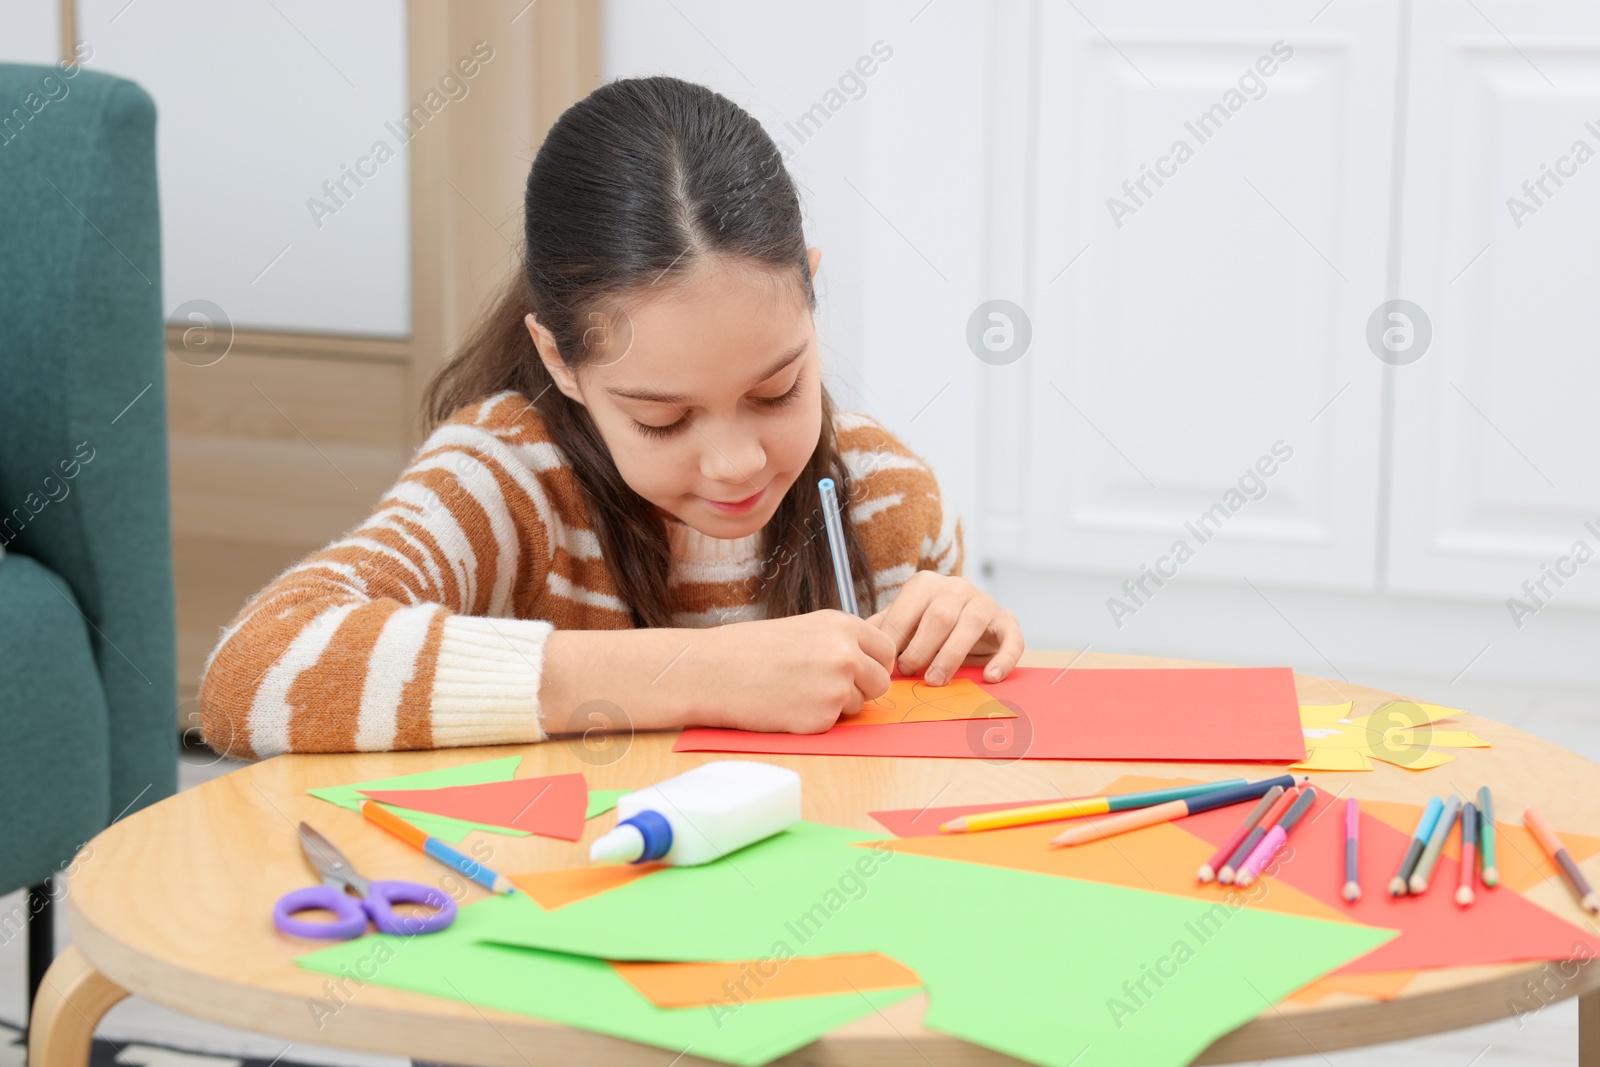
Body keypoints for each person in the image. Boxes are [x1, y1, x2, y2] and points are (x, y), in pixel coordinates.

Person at [197, 75, 1023, 761]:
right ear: (561, 362)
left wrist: (964, 645)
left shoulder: (882, 495)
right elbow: (250, 678)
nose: (735, 462)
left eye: (777, 392)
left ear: (809, 293)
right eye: (663, 419)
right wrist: (698, 673)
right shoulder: (507, 479)